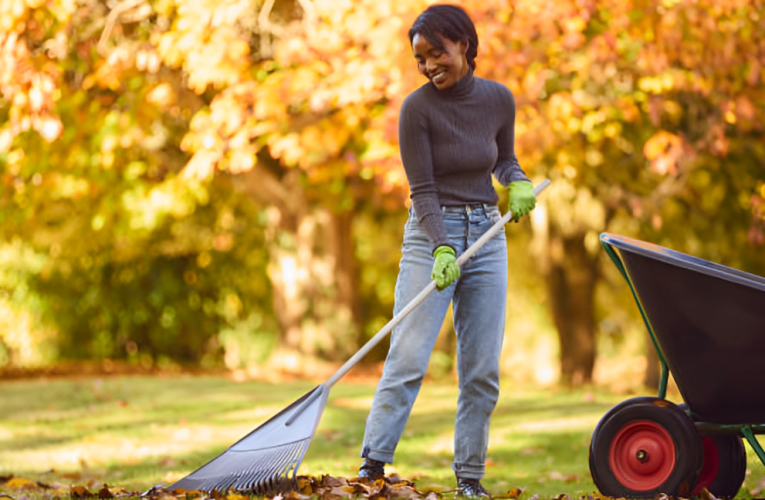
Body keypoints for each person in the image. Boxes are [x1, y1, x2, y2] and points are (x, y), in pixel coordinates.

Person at [357, 4, 536, 498]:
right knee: (409, 356)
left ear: (465, 45)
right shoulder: (417, 110)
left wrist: (517, 182)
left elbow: (504, 161)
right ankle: (371, 468)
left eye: (437, 53)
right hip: (430, 235)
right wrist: (440, 248)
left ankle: (469, 479)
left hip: (486, 234)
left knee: (481, 368)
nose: (429, 65)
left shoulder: (499, 100)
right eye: (420, 58)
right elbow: (423, 190)